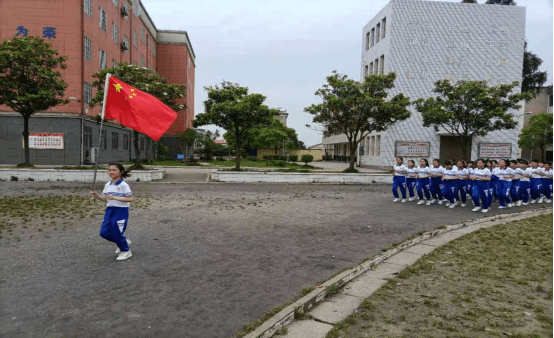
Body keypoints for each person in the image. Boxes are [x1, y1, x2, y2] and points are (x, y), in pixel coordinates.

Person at [90, 162, 134, 261]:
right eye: (109, 170)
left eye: (114, 170)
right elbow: (105, 198)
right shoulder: (108, 185)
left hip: (121, 211)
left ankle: (126, 251)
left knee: (117, 231)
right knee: (104, 232)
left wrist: (115, 197)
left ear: (121, 172)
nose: (111, 172)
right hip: (109, 210)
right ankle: (123, 242)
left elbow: (131, 198)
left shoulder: (123, 185)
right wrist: (97, 196)